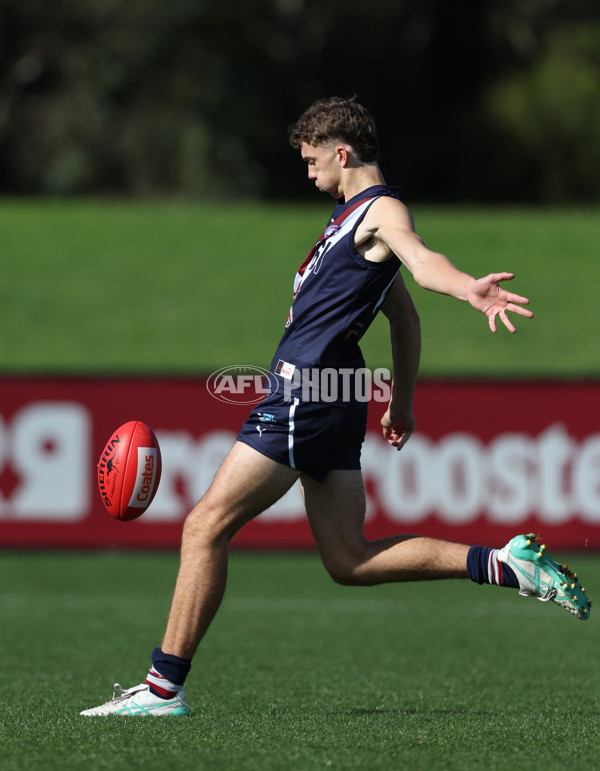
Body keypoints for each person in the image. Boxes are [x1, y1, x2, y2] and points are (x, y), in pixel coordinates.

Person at [81, 97, 590, 717]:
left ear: (342, 154)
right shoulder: (350, 221)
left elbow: (424, 264)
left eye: (312, 159)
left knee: (204, 525)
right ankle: (506, 565)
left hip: (308, 391)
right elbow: (401, 317)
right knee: (349, 558)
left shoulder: (380, 212)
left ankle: (162, 691)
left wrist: (468, 288)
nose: (308, 170)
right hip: (336, 394)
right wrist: (400, 402)